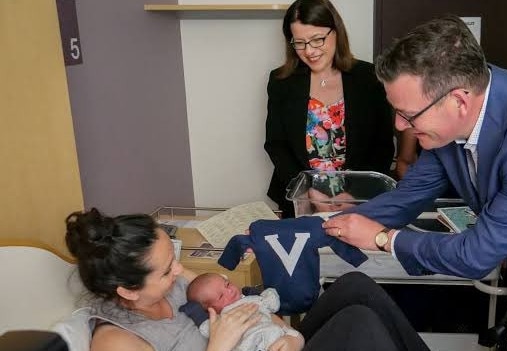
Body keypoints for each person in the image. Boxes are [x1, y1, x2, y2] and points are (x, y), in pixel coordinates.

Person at [322, 15, 507, 346]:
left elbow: (477, 254)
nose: (399, 125)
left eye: (408, 114)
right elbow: (406, 198)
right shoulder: (450, 114)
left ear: (460, 101)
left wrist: (383, 239)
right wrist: (318, 229)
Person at [65, 208, 432, 351]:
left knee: (354, 286)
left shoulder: (172, 283)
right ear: (127, 289)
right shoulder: (116, 341)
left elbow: (239, 300)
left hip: (268, 343)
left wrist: (284, 335)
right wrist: (219, 346)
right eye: (166, 271)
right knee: (360, 324)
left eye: (173, 260)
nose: (179, 271)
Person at [264, 0, 395, 218]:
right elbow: (276, 145)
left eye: (317, 40)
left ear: (336, 32)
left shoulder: (368, 77)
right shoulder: (281, 81)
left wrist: (354, 194)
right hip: (301, 202)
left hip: (359, 202)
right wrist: (306, 191)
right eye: (299, 43)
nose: (309, 51)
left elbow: (382, 146)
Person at [182, 273, 298, 351]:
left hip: (279, 337)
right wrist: (196, 313)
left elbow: (271, 303)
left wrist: (261, 294)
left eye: (227, 284)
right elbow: (206, 328)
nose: (230, 291)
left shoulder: (249, 299)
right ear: (209, 310)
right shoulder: (219, 320)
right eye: (221, 296)